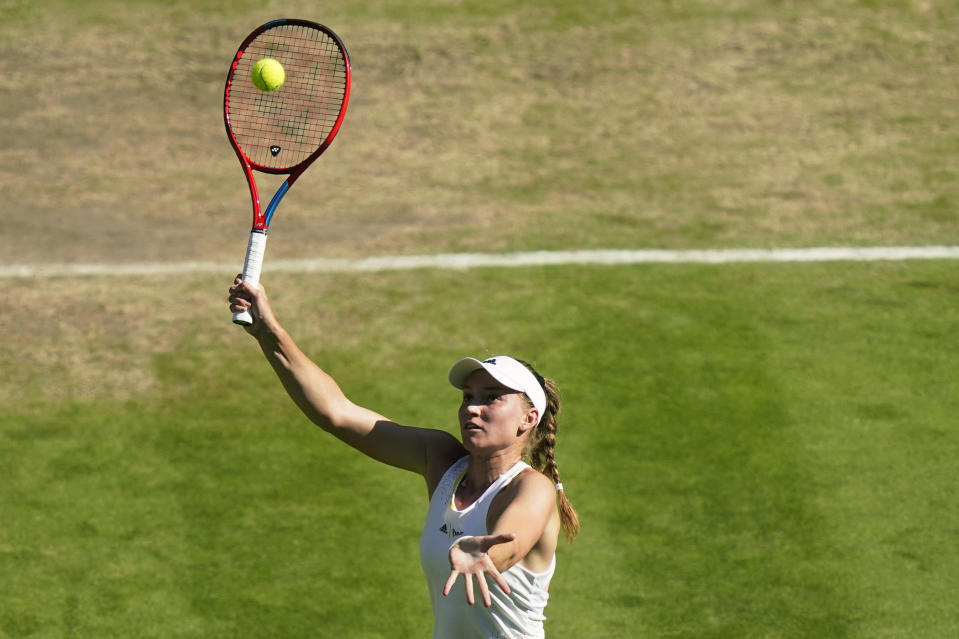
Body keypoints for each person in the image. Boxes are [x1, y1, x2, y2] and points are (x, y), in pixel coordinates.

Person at [228, 275, 579, 639]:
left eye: (491, 397)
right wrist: (267, 331)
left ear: (529, 418)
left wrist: (484, 555)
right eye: (467, 397)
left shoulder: (533, 488)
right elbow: (337, 413)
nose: (472, 409)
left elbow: (514, 538)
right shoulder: (442, 460)